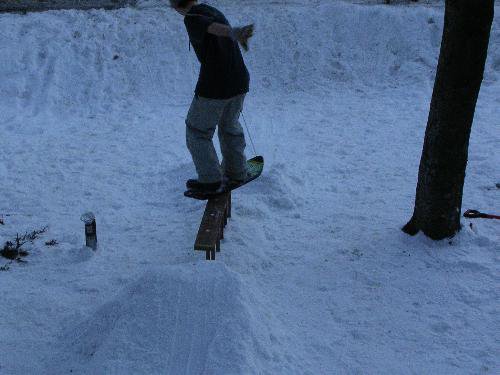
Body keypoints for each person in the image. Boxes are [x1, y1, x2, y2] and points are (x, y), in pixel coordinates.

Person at [169, 0, 254, 193]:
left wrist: (234, 32)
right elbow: (214, 27)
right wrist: (233, 32)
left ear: (176, 5)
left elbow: (212, 28)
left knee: (197, 130)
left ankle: (210, 180)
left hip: (215, 85)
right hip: (239, 81)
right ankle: (236, 171)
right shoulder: (210, 10)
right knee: (229, 126)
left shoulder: (193, 17)